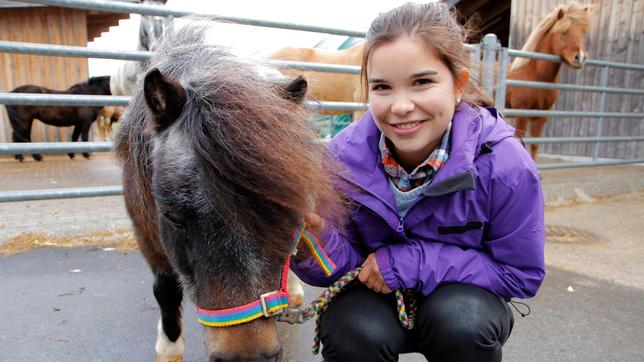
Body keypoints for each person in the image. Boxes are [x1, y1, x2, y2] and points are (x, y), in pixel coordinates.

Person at [290, 2, 545, 362]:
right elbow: (349, 268)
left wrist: (408, 263)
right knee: (350, 329)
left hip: (463, 298)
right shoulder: (340, 160)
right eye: (382, 87)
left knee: (462, 323)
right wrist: (313, 241)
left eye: (422, 82)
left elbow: (520, 274)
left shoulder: (504, 165)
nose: (401, 106)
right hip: (375, 301)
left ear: (458, 84)